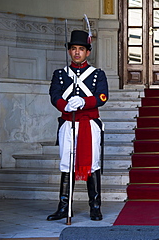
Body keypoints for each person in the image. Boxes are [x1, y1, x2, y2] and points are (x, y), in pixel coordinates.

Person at [47, 30, 109, 221]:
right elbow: (54, 95)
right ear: (69, 51)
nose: (77, 52)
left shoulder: (97, 74)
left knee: (92, 163)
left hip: (89, 124)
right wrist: (63, 105)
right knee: (67, 164)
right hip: (68, 123)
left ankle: (95, 207)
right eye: (73, 49)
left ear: (87, 52)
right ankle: (64, 207)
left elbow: (102, 96)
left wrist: (84, 102)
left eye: (81, 49)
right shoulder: (60, 74)